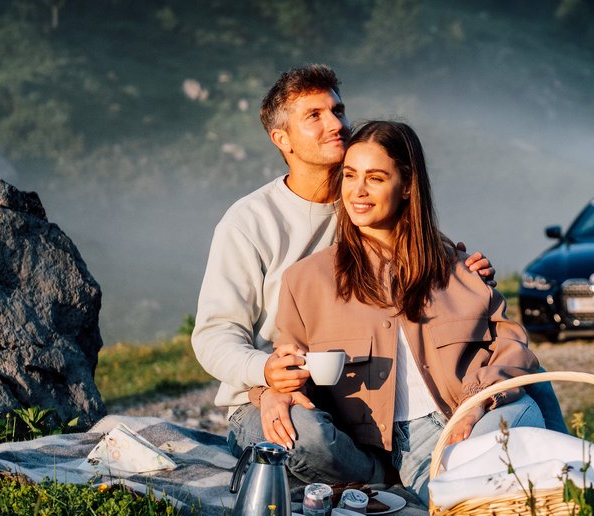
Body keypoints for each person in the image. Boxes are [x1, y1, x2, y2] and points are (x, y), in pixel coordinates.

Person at [190, 64, 563, 482]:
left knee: (528, 373)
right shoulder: (250, 223)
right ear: (282, 139)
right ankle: (384, 479)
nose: (335, 124)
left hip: (352, 390)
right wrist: (266, 380)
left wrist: (464, 275)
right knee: (303, 437)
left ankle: (579, 481)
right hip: (273, 392)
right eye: (314, 115)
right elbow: (213, 336)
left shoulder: (365, 200)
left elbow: (423, 247)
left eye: (338, 110)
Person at [265, 120, 545, 504]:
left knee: (521, 428)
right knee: (469, 500)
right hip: (408, 444)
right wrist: (270, 389)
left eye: (375, 178)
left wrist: (476, 404)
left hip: (479, 415)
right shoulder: (306, 280)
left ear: (408, 186)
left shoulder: (459, 268)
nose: (358, 191)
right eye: (350, 176)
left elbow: (512, 346)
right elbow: (290, 367)